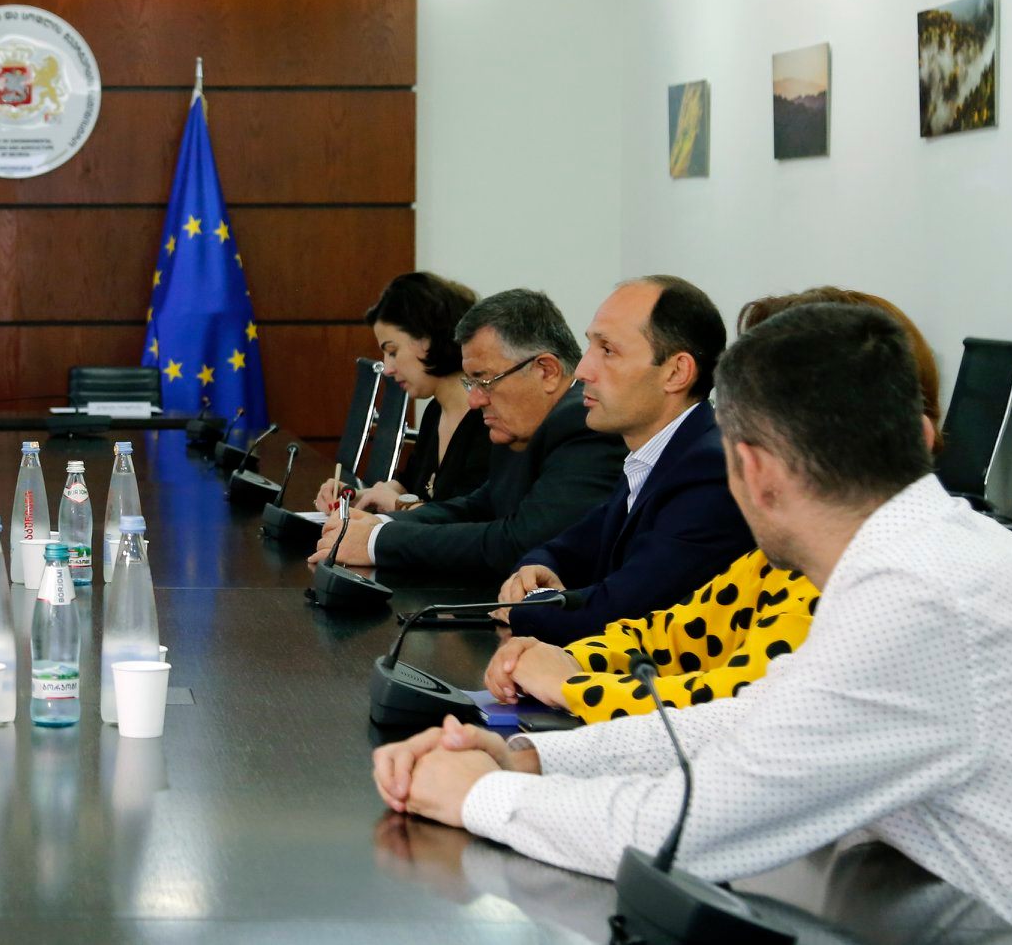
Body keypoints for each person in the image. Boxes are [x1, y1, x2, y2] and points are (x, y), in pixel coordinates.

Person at [371, 303, 1012, 944]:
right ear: (919, 434)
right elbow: (757, 718)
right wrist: (530, 757)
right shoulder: (929, 550)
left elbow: (685, 831)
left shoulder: (917, 597)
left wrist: (473, 795)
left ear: (750, 468)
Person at [485, 287, 940, 719]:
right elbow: (667, 634)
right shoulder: (778, 562)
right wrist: (568, 660)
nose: (745, 456)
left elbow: (738, 713)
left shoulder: (887, 583)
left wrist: (570, 686)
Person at [482, 276, 750, 641]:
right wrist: (534, 573)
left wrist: (525, 607)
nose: (582, 371)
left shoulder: (709, 472)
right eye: (591, 346)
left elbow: (619, 614)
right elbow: (564, 550)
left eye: (607, 350)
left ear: (676, 372)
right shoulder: (656, 455)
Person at [314, 289, 625, 575]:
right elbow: (479, 507)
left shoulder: (585, 425)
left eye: (484, 381)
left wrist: (377, 542)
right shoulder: (518, 423)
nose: (475, 400)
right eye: (471, 383)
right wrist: (380, 523)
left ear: (546, 371)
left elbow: (522, 543)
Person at [313, 272, 491, 514]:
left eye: (393, 351)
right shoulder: (436, 410)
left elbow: (472, 522)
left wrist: (398, 505)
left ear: (428, 339)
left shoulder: (490, 420)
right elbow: (411, 485)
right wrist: (359, 496)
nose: (387, 368)